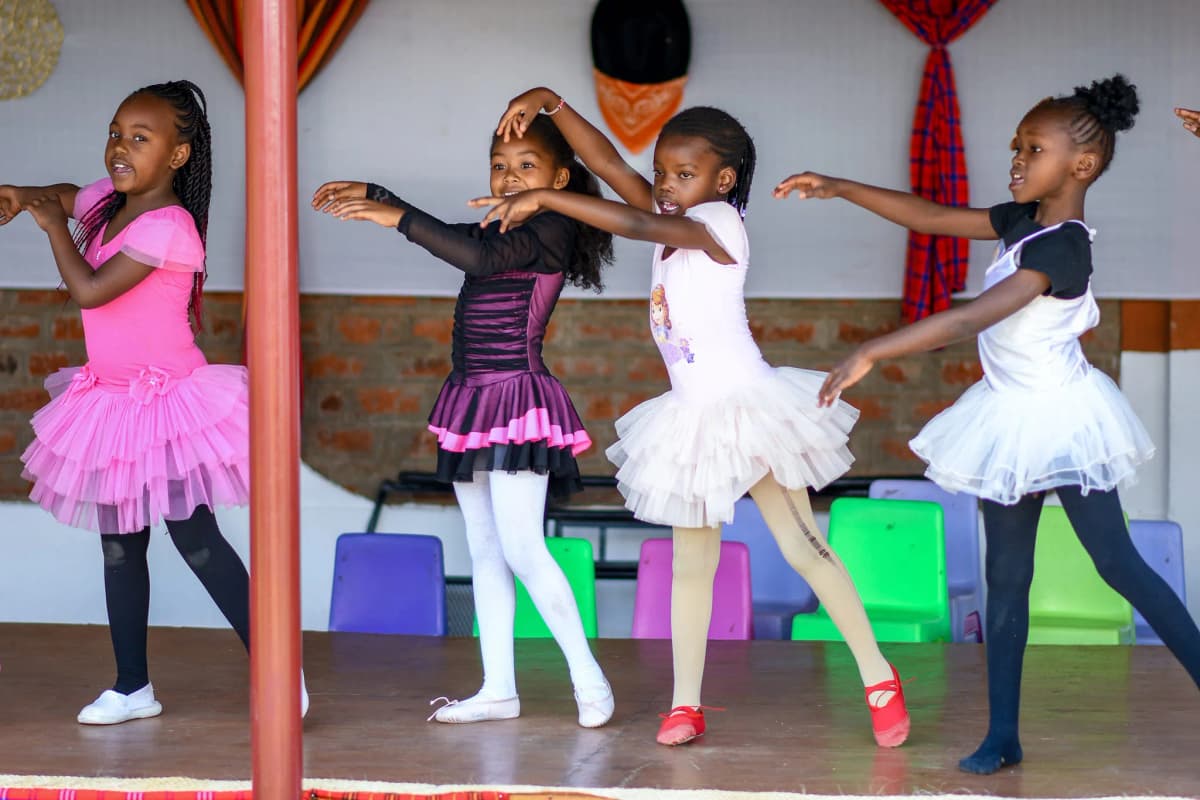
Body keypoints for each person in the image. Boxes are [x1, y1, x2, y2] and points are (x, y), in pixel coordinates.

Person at [776, 74, 1200, 774]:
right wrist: (842, 186)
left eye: (1033, 149)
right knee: (1005, 577)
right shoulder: (1019, 222)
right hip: (1006, 420)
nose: (1017, 159)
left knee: (1116, 562)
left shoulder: (1063, 246)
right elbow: (931, 217)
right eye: (1016, 146)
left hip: (1062, 420)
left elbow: (976, 315)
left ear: (1081, 166)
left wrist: (873, 349)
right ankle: (1003, 734)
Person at [476, 88, 911, 748]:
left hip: (749, 410)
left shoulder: (720, 224)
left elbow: (643, 226)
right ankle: (685, 704)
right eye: (662, 173)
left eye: (685, 174)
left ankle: (880, 677)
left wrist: (544, 197)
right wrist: (552, 105)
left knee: (803, 547)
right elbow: (613, 167)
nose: (666, 186)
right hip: (692, 419)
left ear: (723, 179)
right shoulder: (668, 204)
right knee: (690, 564)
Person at [0, 80, 308, 724]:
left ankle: (281, 673)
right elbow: (65, 193)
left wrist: (52, 225)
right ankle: (132, 685)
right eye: (116, 132)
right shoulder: (107, 203)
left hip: (170, 405)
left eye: (141, 139)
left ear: (178, 156)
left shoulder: (169, 226)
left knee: (197, 542)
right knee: (119, 547)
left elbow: (89, 291)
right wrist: (26, 196)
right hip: (111, 406)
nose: (121, 147)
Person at [311, 113, 615, 728]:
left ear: (559, 177)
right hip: (472, 398)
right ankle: (498, 688)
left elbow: (477, 257)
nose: (508, 178)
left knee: (525, 547)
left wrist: (397, 216)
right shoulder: (501, 224)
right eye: (499, 166)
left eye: (526, 167)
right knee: (485, 549)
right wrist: (383, 198)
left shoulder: (553, 228)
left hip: (517, 398)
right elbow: (461, 237)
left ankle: (590, 678)